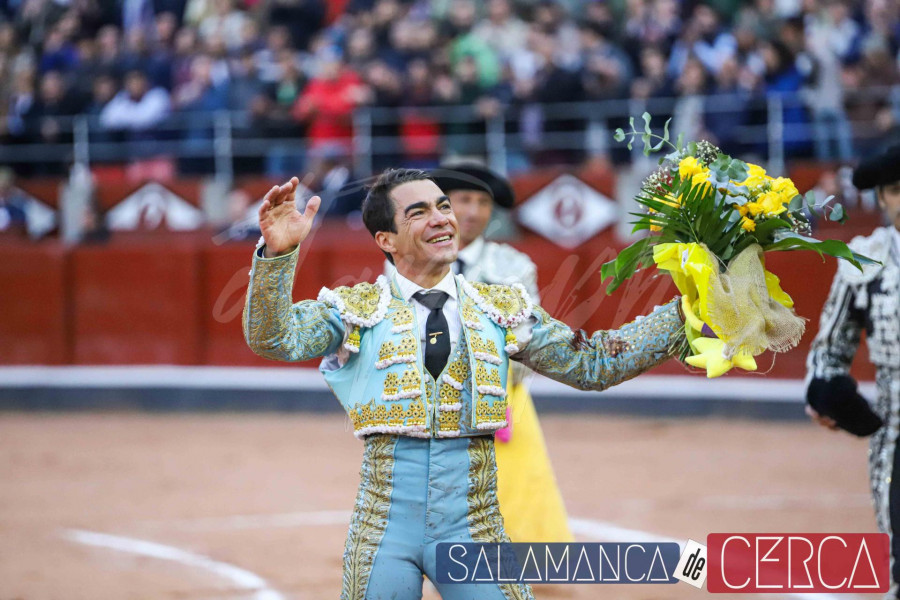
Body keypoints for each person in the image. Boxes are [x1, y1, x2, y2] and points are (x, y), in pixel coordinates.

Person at [244, 168, 686, 599]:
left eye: (443, 206)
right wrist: (276, 256)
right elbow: (274, 338)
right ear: (386, 240)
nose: (442, 218)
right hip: (382, 532)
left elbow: (592, 365)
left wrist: (686, 312)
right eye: (418, 212)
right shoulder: (357, 308)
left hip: (474, 527)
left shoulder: (502, 308)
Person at [413, 162, 573, 544]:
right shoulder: (410, 261)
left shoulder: (512, 266)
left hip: (500, 398)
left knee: (515, 495)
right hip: (430, 403)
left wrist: (492, 382)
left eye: (483, 202)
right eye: (463, 200)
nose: (473, 212)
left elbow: (524, 338)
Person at [805, 142, 900, 597]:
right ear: (882, 197)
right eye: (899, 190)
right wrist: (826, 394)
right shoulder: (866, 263)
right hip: (897, 434)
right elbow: (828, 353)